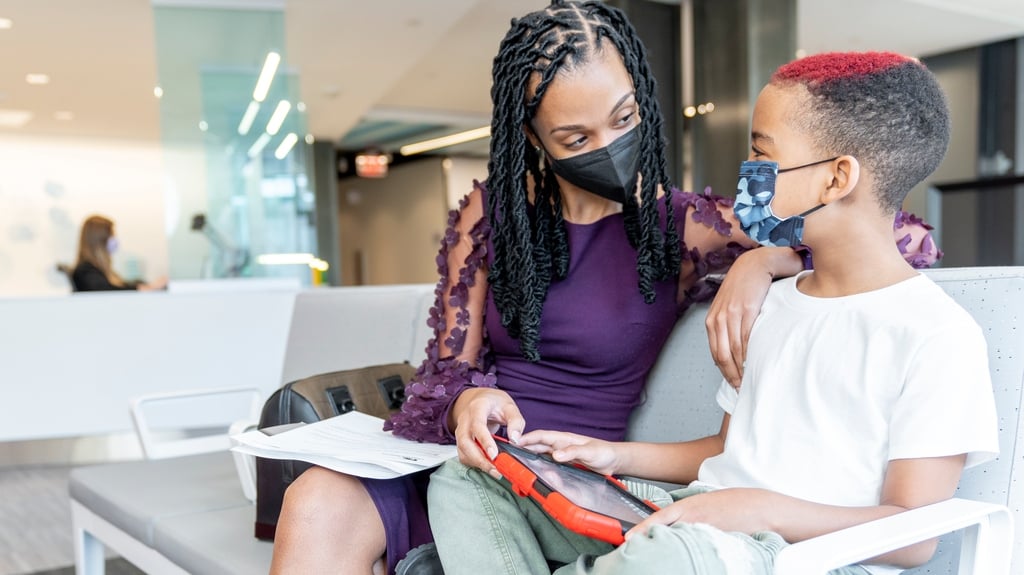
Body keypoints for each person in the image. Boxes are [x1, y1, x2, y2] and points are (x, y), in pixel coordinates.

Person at [269, 3, 940, 573]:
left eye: (623, 120)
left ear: (643, 102)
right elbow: (443, 376)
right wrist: (468, 398)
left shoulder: (680, 228)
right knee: (316, 500)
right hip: (471, 466)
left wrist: (761, 260)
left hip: (573, 486)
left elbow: (899, 235)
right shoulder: (491, 214)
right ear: (531, 136)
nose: (608, 144)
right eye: (575, 135)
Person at [427, 51, 999, 575]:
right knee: (472, 478)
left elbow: (914, 534)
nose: (746, 170)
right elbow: (729, 451)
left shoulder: (936, 334)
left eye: (761, 152)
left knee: (664, 558)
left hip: (791, 552)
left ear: (836, 178)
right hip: (695, 516)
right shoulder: (773, 301)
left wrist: (757, 509)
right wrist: (609, 455)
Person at [70, 215, 167, 292]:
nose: (115, 240)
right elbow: (109, 291)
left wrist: (147, 286)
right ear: (100, 240)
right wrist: (145, 289)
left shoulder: (99, 270)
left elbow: (121, 285)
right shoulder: (85, 271)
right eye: (112, 235)